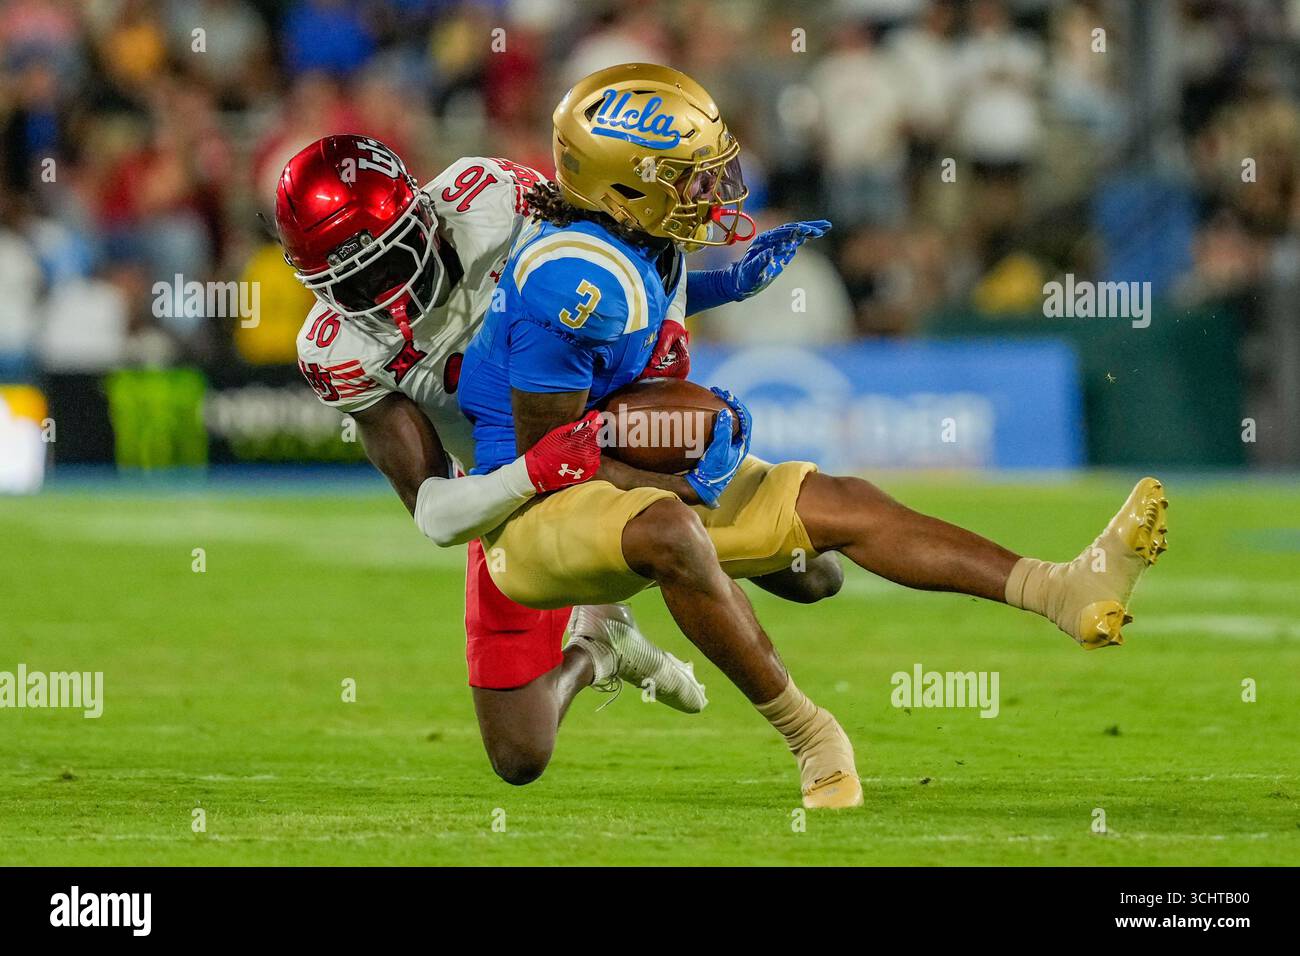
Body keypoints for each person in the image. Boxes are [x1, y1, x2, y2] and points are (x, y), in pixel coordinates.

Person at [456, 63, 1170, 809]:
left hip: (622, 468)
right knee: (526, 746)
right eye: (687, 178)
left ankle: (1061, 587)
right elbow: (551, 463)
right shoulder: (572, 282)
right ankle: (810, 734)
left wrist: (724, 285)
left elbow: (640, 300)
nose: (711, 193)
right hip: (525, 520)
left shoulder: (629, 238)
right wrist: (681, 482)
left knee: (830, 526)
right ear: (624, 185)